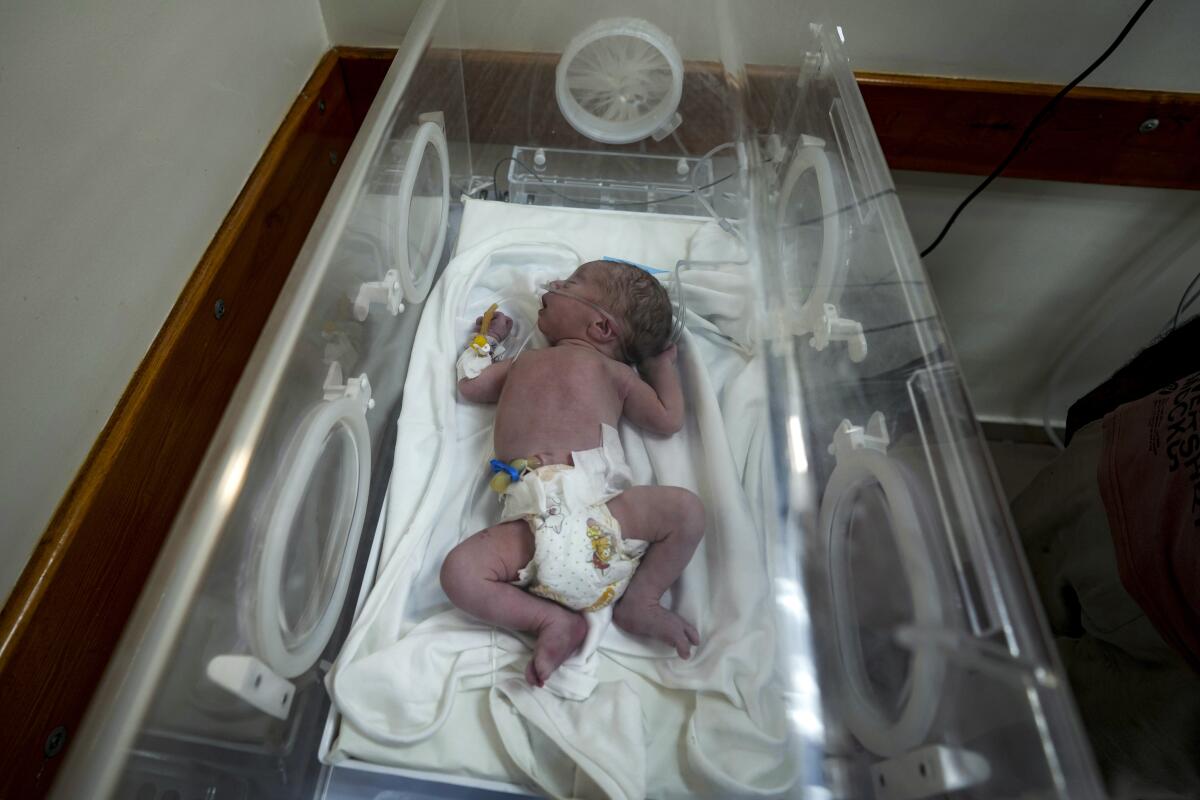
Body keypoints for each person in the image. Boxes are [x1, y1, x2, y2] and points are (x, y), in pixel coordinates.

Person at [440, 259, 705, 687]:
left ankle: (642, 600)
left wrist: (660, 366)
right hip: (533, 521)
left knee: (687, 511)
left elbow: (668, 418)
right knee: (458, 572)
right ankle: (551, 621)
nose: (553, 283)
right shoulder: (524, 362)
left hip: (601, 512)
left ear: (602, 329)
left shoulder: (614, 373)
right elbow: (471, 385)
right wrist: (485, 340)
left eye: (571, 283)